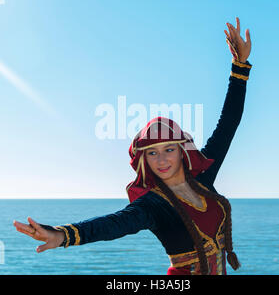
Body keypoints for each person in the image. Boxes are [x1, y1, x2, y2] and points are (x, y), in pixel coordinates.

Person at [13, 17, 253, 275]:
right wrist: (62, 235)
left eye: (168, 150)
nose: (161, 160)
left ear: (182, 152)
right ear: (143, 160)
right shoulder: (152, 205)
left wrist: (239, 67)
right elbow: (112, 224)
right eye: (152, 153)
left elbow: (229, 123)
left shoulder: (203, 179)